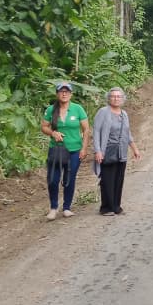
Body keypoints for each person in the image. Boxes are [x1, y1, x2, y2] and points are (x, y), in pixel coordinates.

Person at [41, 81, 89, 221]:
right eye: (61, 91)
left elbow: (86, 129)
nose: (64, 94)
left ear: (71, 94)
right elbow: (44, 127)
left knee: (69, 178)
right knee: (53, 179)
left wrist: (84, 148)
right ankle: (53, 207)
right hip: (56, 150)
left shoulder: (77, 109)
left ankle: (67, 207)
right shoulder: (51, 110)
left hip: (74, 150)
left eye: (66, 91)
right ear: (57, 94)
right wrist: (53, 133)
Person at [92, 87, 141, 216]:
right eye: (113, 96)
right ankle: (106, 208)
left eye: (118, 96)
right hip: (107, 150)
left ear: (123, 99)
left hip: (121, 151)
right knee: (107, 179)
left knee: (119, 180)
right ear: (109, 98)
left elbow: (127, 133)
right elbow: (96, 131)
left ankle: (116, 206)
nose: (116, 98)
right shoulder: (103, 112)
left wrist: (134, 148)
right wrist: (98, 151)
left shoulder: (124, 114)